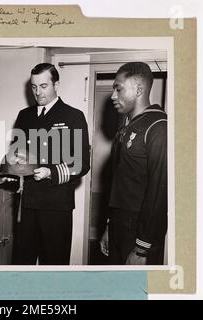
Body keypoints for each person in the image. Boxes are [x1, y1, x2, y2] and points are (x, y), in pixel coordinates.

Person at [10, 63, 90, 265]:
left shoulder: (73, 116)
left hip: (57, 205)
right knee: (21, 262)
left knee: (55, 264)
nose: (37, 92)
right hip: (26, 204)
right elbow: (16, 152)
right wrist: (12, 164)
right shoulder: (24, 116)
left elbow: (82, 163)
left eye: (43, 86)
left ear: (56, 85)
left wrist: (50, 172)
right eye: (34, 86)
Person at [100, 62, 167, 265]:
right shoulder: (125, 129)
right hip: (118, 226)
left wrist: (142, 248)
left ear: (139, 89)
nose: (112, 95)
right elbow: (120, 187)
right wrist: (109, 227)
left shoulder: (158, 127)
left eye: (118, 88)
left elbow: (159, 192)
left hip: (140, 232)